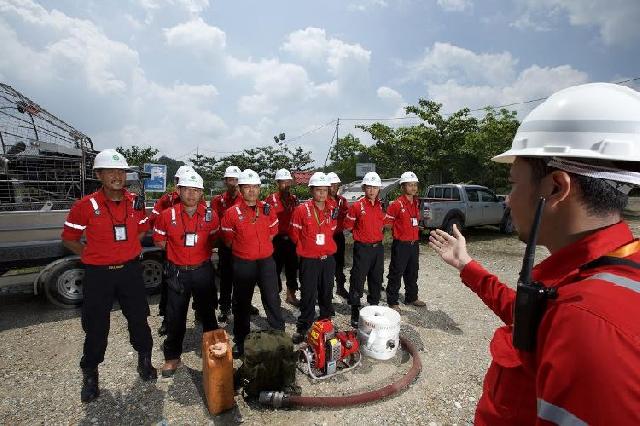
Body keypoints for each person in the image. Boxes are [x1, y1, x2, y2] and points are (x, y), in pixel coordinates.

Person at [429, 83, 640, 425]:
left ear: (556, 187)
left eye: (513, 183)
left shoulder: (590, 328)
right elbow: (531, 317)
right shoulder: (596, 274)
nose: (508, 200)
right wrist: (467, 265)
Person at [61, 149, 156, 403]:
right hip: (98, 275)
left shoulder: (136, 202)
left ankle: (144, 360)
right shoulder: (85, 206)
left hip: (130, 272)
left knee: (139, 319)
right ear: (99, 175)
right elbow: (69, 239)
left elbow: (142, 229)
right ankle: (90, 373)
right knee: (96, 326)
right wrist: (92, 256)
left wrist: (127, 250)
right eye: (110, 171)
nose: (117, 176)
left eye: (121, 172)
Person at [152, 172, 220, 377]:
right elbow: (160, 242)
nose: (192, 194)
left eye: (196, 190)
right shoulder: (167, 215)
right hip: (178, 273)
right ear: (179, 191)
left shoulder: (210, 215)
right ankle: (172, 357)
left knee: (208, 313)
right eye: (187, 189)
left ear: (201, 193)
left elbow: (214, 239)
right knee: (175, 317)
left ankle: (215, 352)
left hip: (203, 270)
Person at [220, 169, 286, 357]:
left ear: (259, 189)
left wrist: (261, 248)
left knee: (272, 298)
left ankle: (279, 334)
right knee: (242, 303)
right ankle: (241, 340)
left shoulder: (267, 208)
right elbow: (227, 239)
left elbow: (273, 233)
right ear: (240, 189)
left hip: (266, 261)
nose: (251, 190)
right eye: (247, 187)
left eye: (255, 187)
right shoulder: (231, 213)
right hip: (243, 262)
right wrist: (246, 249)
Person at [289, 172, 338, 343]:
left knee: (326, 291)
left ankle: (325, 321)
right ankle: (304, 326)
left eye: (325, 190)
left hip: (328, 258)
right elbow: (294, 235)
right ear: (311, 190)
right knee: (309, 293)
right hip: (309, 260)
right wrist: (308, 248)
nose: (322, 193)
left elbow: (332, 231)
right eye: (318, 190)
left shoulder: (333, 209)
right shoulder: (301, 210)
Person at [150, 165, 196, 336]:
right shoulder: (166, 200)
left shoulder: (197, 198)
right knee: (170, 288)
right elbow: (153, 220)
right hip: (171, 253)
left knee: (199, 287)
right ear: (177, 183)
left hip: (193, 254)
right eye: (180, 182)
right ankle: (167, 321)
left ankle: (199, 314)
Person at [211, 165, 258, 322]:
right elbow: (214, 223)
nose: (233, 183)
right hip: (226, 244)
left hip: (244, 245)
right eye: (230, 180)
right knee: (226, 278)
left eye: (236, 180)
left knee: (245, 278)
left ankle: (245, 304)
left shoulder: (247, 199)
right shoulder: (218, 201)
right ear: (225, 181)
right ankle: (225, 307)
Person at [344, 171, 385, 327]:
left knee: (376, 278)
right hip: (362, 248)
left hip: (378, 248)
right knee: (358, 279)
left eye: (375, 187)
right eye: (369, 187)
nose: (372, 190)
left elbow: (385, 223)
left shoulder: (381, 206)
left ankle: (374, 307)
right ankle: (355, 310)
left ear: (379, 189)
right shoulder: (357, 206)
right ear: (364, 188)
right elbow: (347, 226)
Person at [384, 171, 426, 310]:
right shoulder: (396, 204)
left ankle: (412, 297)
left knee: (413, 271)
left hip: (414, 244)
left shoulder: (416, 202)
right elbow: (387, 223)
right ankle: (392, 300)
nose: (413, 188)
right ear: (403, 187)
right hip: (401, 244)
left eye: (415, 185)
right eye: (410, 185)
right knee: (396, 272)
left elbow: (413, 220)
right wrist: (398, 231)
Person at [265, 168, 300, 306]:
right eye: (283, 182)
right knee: (275, 270)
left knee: (292, 269)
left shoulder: (294, 199)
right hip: (276, 240)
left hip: (291, 240)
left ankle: (291, 295)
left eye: (288, 182)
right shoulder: (270, 199)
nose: (286, 185)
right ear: (277, 183)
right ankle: (275, 296)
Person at [326, 172, 349, 299]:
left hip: (338, 236)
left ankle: (340, 287)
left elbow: (347, 216)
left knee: (340, 263)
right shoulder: (323, 201)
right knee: (327, 264)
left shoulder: (342, 201)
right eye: (331, 185)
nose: (334, 188)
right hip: (326, 237)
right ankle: (325, 291)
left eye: (336, 185)